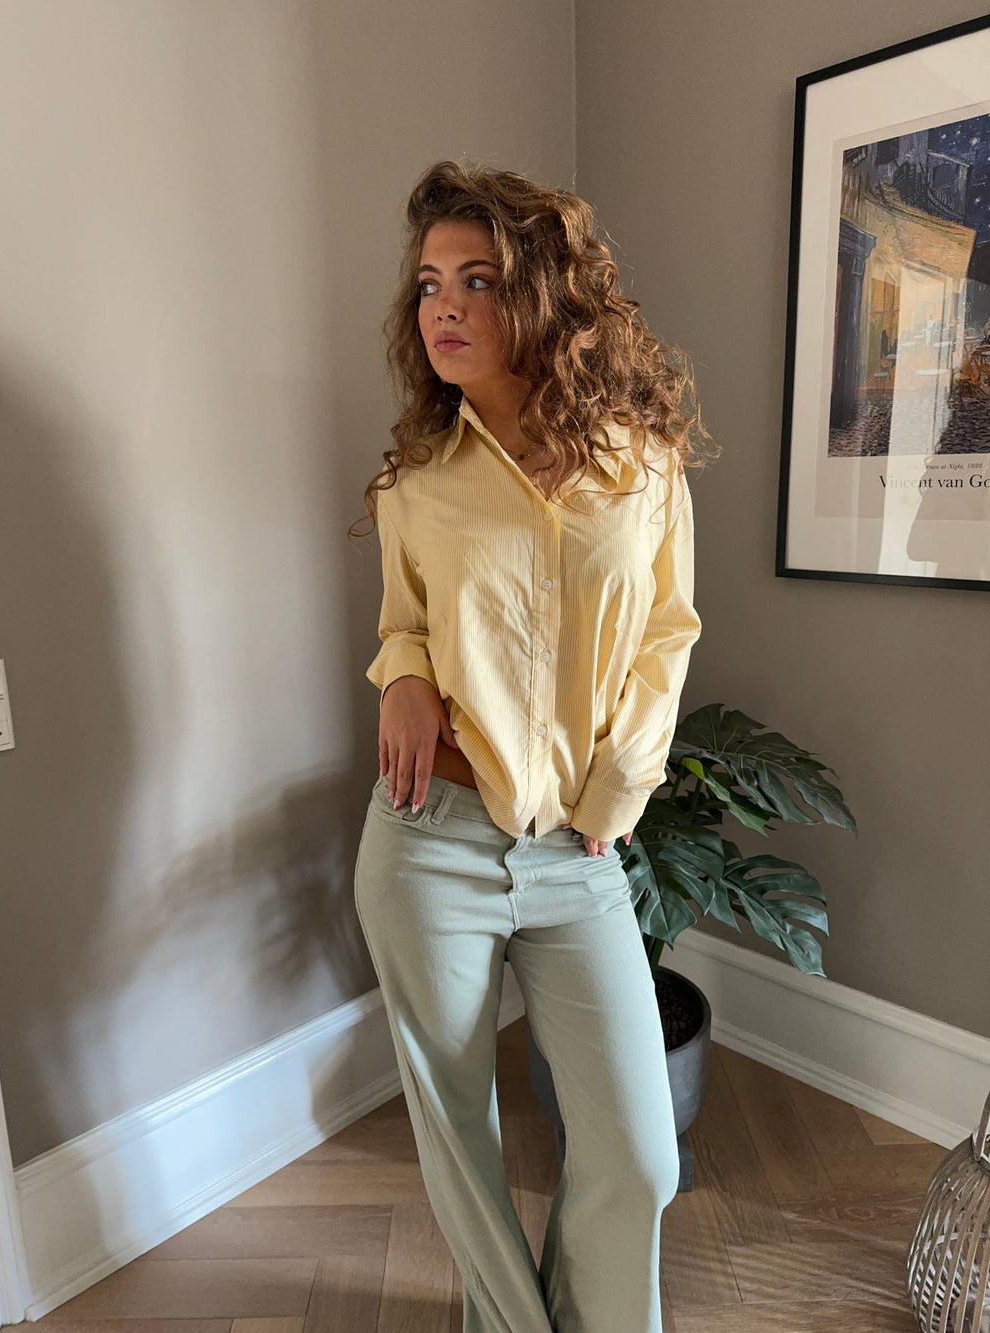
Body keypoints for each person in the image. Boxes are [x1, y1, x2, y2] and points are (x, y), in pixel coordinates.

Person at [348, 159, 718, 1333]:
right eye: (427, 285)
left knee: (638, 1156)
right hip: (430, 838)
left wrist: (618, 791)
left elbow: (665, 633)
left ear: (545, 295)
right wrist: (404, 677)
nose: (443, 308)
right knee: (460, 1142)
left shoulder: (641, 462)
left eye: (476, 280)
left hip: (579, 849)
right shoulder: (418, 481)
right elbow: (405, 623)